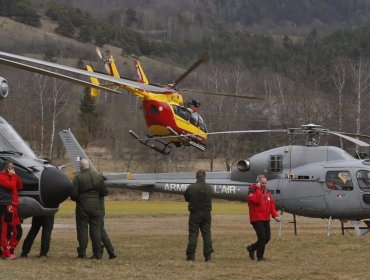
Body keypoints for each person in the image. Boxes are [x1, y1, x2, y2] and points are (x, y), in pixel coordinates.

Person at [70, 159, 108, 259]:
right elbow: (105, 192)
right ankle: (97, 253)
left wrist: (80, 199)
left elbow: (73, 195)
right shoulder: (97, 177)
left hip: (82, 207)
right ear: (89, 166)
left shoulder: (78, 178)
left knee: (82, 229)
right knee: (95, 230)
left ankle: (82, 252)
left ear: (81, 167)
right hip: (96, 207)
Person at [246, 175, 279, 261]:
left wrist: (275, 215)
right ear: (258, 182)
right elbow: (256, 200)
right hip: (256, 218)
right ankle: (260, 257)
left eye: (265, 183)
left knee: (267, 237)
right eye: (262, 183)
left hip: (265, 218)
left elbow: (271, 204)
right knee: (262, 237)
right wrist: (258, 189)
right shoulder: (252, 191)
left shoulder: (267, 192)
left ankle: (252, 248)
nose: (264, 184)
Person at [184, 169, 213, 262]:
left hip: (194, 214)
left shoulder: (191, 187)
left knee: (193, 234)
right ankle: (208, 255)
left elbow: (187, 197)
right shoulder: (210, 188)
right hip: (206, 214)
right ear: (205, 176)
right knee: (207, 234)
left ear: (196, 176)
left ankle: (191, 256)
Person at [0, 161, 23, 260]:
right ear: (6, 168)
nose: (13, 169)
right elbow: (11, 186)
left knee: (18, 230)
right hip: (6, 206)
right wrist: (13, 176)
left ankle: (11, 249)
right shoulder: (1, 177)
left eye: (14, 168)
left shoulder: (13, 176)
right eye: (11, 168)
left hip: (14, 207)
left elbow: (20, 186)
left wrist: (14, 175)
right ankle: (5, 253)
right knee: (5, 231)